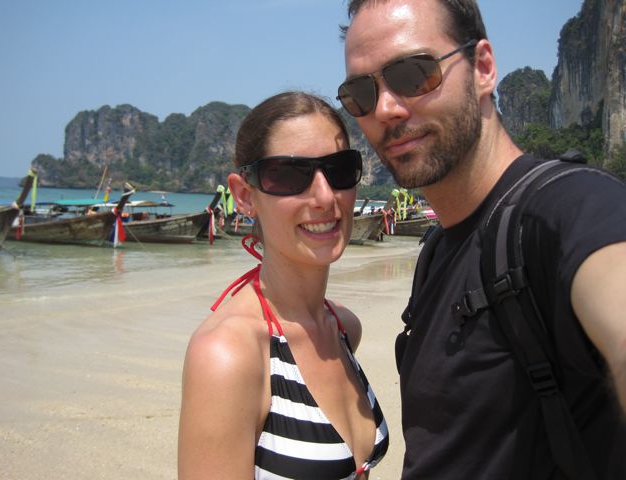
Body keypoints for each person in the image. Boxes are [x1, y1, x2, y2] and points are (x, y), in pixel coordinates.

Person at [339, 0, 626, 478]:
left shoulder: (569, 207)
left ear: (483, 69)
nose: (385, 109)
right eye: (361, 94)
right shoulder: (436, 251)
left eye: (414, 74)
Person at [178, 91, 389, 479]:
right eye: (290, 175)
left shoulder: (344, 328)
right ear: (245, 196)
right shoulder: (227, 356)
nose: (325, 197)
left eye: (340, 169)